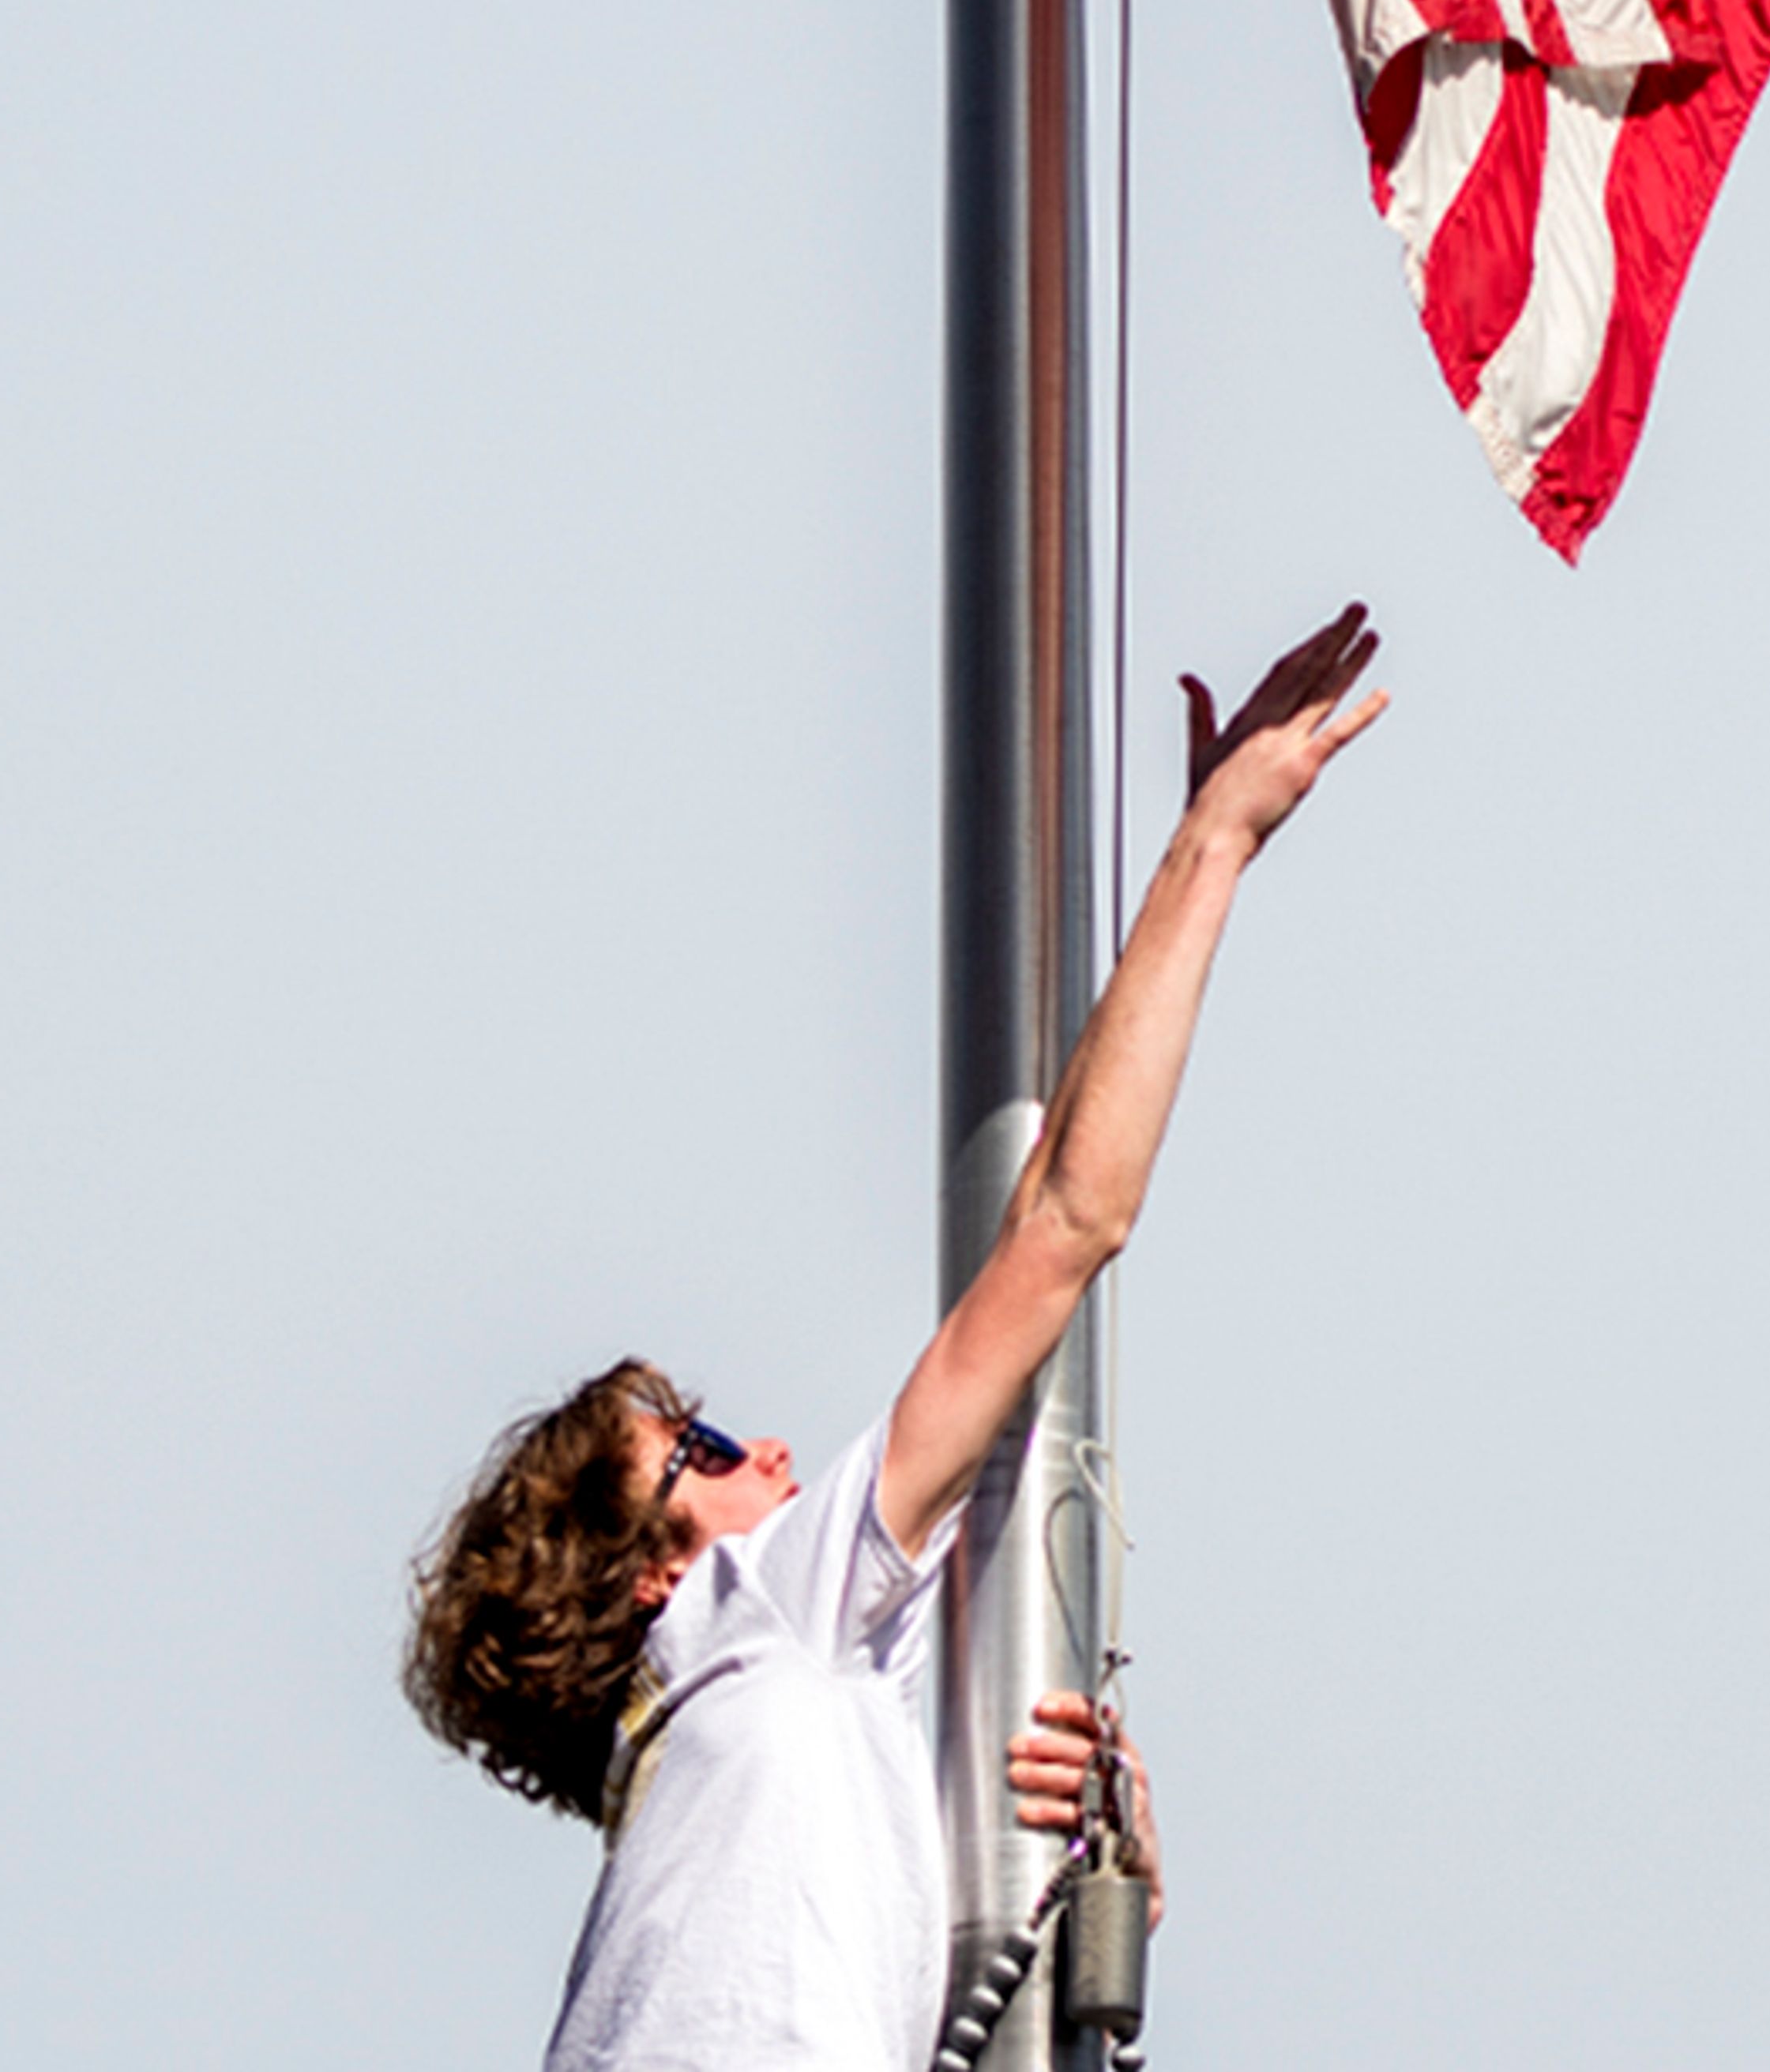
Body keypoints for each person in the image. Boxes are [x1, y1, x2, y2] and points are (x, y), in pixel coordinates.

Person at [405, 603, 1385, 2072]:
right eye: (705, 1450)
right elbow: (1063, 1223)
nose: (775, 1454)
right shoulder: (744, 1633)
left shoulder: (745, 1790)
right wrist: (1213, 847)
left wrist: (1105, 1876)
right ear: (657, 1572)